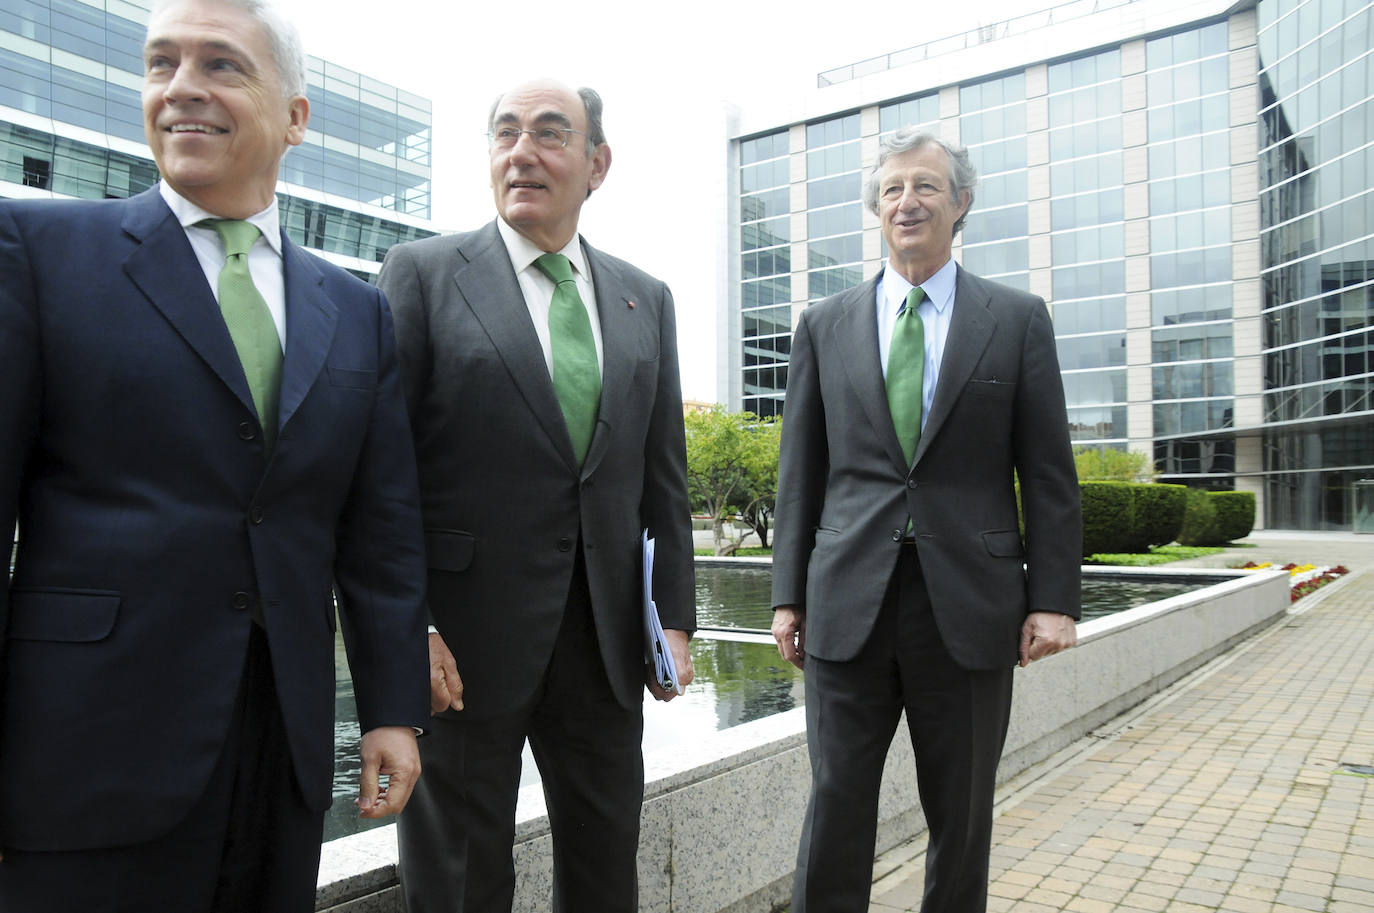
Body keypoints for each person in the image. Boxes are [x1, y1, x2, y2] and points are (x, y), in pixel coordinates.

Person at [0, 0, 430, 909]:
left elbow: (381, 532)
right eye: (161, 64)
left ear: (296, 117)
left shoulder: (357, 311)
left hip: (283, 750)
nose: (181, 88)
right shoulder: (37, 253)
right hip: (87, 747)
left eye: (221, 65)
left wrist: (392, 708)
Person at [378, 79, 697, 913]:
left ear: (598, 164)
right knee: (458, 881)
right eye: (506, 132)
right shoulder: (422, 275)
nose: (522, 152)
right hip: (461, 650)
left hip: (605, 644)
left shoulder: (645, 298)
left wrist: (671, 619)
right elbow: (380, 472)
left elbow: (662, 478)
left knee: (605, 871)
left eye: (550, 134)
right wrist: (410, 625)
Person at [770, 128, 1082, 913]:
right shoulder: (824, 323)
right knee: (835, 806)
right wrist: (787, 594)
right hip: (848, 604)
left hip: (970, 606)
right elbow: (800, 472)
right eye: (892, 189)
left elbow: (1048, 474)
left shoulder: (1016, 319)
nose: (906, 202)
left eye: (925, 186)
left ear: (960, 202)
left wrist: (1054, 599)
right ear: (877, 208)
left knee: (962, 814)